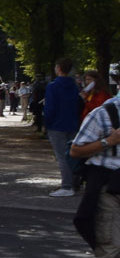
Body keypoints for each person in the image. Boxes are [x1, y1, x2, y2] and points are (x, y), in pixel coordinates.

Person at [68, 94, 120, 258]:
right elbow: (76, 151)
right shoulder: (103, 113)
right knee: (111, 248)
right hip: (110, 190)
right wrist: (110, 141)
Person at [45, 59, 84, 196]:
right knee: (71, 155)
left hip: (57, 125)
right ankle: (74, 182)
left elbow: (50, 108)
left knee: (61, 156)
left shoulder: (53, 86)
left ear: (59, 68)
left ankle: (67, 186)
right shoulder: (74, 86)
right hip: (72, 123)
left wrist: (47, 123)